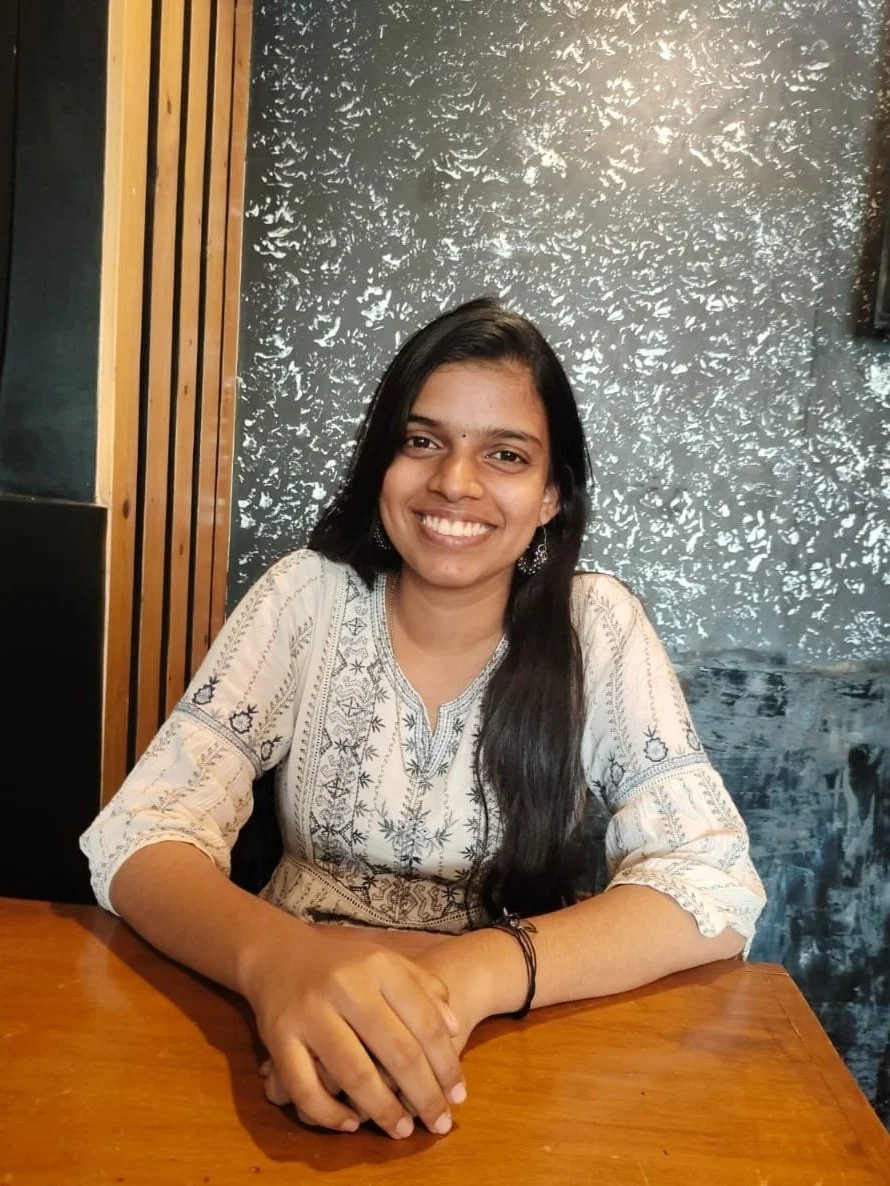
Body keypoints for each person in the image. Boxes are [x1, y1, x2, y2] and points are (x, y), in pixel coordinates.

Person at [80, 297, 766, 1141]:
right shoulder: (306, 597)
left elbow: (714, 883)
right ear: (383, 461)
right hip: (282, 1023)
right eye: (422, 441)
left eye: (505, 455)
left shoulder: (597, 627)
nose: (454, 483)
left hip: (515, 1042)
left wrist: (469, 977)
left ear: (551, 494)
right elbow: (140, 834)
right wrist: (281, 963)